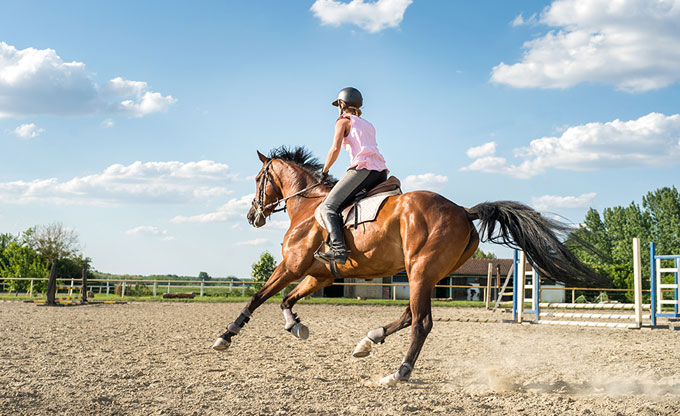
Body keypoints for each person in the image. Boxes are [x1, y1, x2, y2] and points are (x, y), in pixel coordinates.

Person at [316, 87, 389, 265]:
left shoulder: (342, 121)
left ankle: (339, 250)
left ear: (341, 104)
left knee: (327, 207)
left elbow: (335, 149)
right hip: (380, 173)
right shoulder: (368, 125)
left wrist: (324, 171)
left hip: (362, 169)